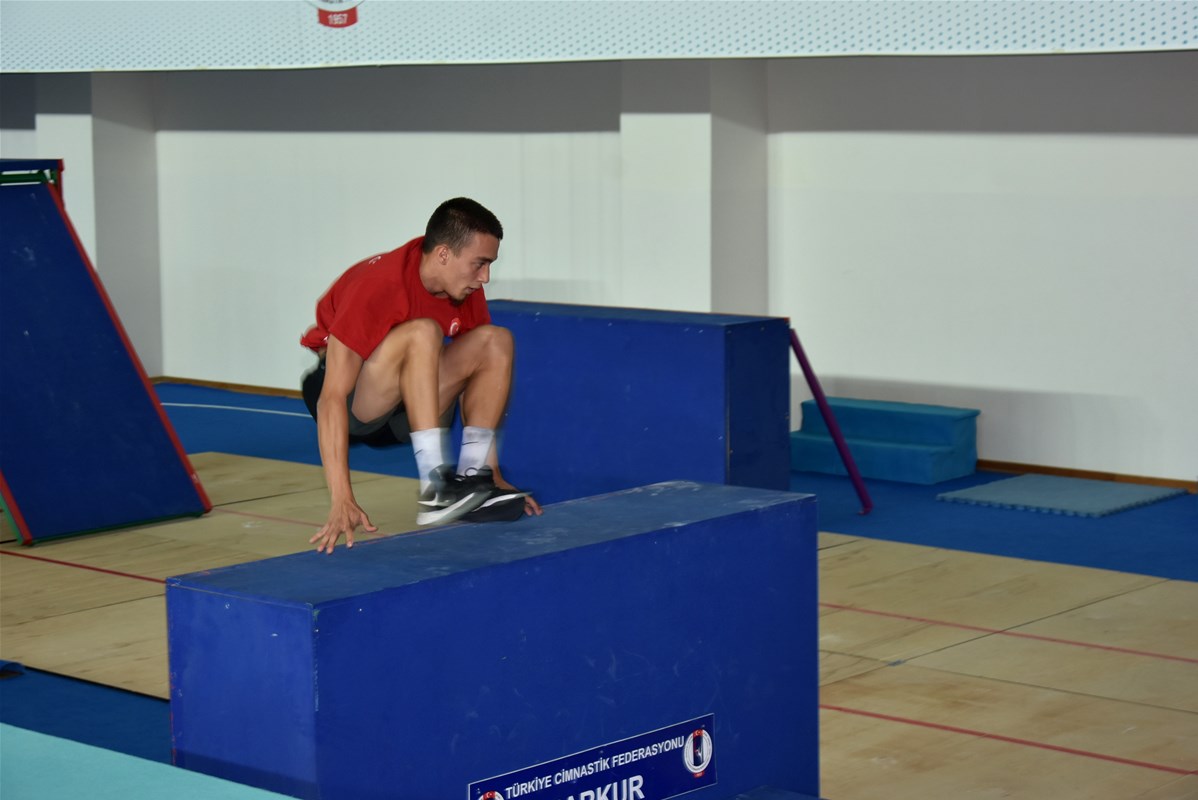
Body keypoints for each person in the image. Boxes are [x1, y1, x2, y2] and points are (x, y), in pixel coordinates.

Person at [299, 197, 541, 554]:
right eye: (479, 264)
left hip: (410, 405)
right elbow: (331, 397)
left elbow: (476, 377)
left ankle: (472, 479)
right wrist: (341, 498)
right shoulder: (379, 284)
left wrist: (492, 474)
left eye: (489, 265)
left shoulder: (465, 290)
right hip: (354, 403)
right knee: (423, 331)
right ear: (443, 254)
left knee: (495, 340)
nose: (485, 277)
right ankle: (434, 484)